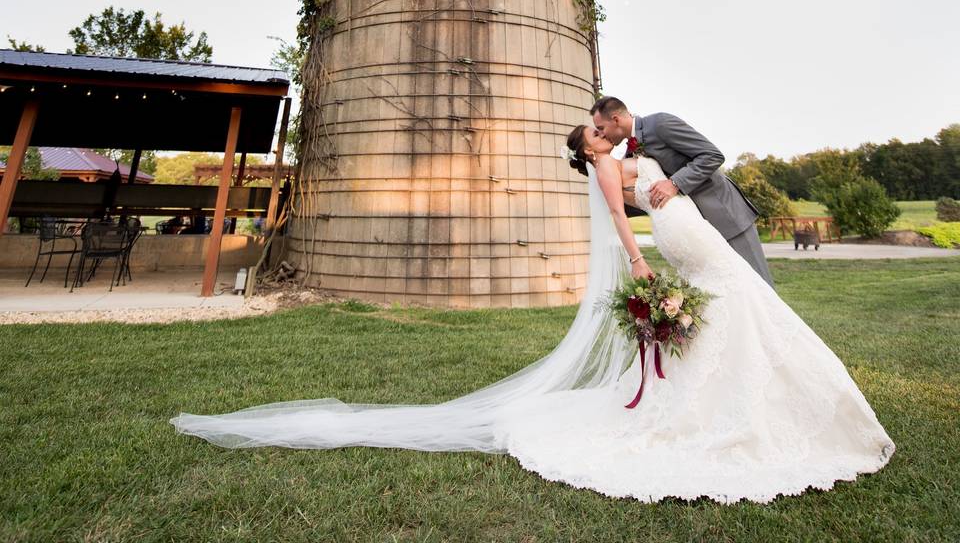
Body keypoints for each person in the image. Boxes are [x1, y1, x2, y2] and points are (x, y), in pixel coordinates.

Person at [169, 122, 895, 504]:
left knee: (736, 308)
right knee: (736, 305)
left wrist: (665, 195)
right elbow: (621, 217)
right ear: (590, 149)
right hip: (677, 238)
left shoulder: (628, 150)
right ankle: (738, 404)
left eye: (598, 131)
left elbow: (664, 178)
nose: (601, 136)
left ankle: (742, 393)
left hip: (689, 232)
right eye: (592, 136)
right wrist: (639, 261)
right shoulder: (607, 166)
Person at [590, 96, 774, 286]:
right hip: (698, 231)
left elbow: (712, 155)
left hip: (726, 216)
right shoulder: (629, 154)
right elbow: (636, 200)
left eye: (601, 128)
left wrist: (674, 183)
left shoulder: (660, 124)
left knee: (759, 287)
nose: (601, 134)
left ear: (615, 119)